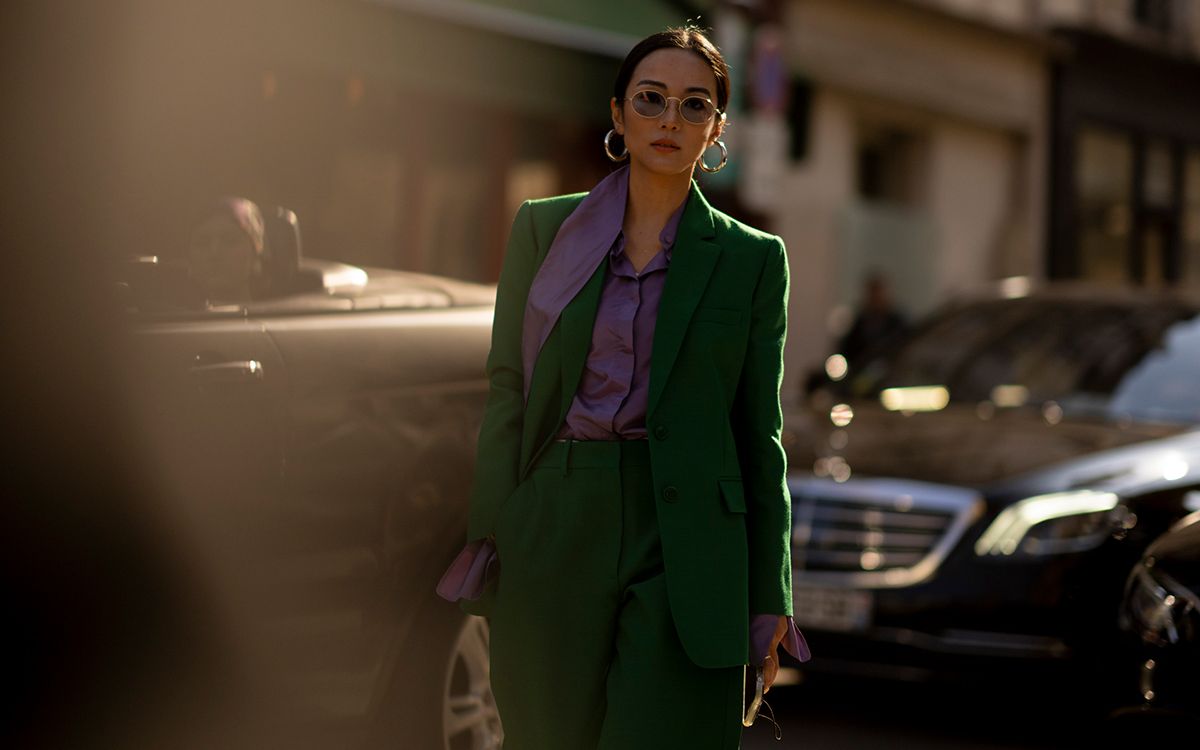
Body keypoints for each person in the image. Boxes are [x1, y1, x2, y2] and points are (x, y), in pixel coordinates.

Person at [439, 26, 809, 749]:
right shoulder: (544, 230)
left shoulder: (752, 259)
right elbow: (508, 390)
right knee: (548, 735)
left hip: (688, 536)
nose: (670, 120)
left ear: (716, 129)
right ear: (619, 115)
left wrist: (772, 594)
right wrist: (493, 529)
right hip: (556, 512)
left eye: (693, 105)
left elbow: (757, 433)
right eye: (652, 99)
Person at [187, 196, 268, 305]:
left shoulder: (282, 319)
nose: (214, 253)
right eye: (203, 243)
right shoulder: (172, 320)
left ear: (255, 253)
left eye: (230, 241)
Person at [836, 271, 907, 366]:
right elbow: (846, 349)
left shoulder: (897, 323)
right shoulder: (857, 323)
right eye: (873, 294)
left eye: (878, 293)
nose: (876, 298)